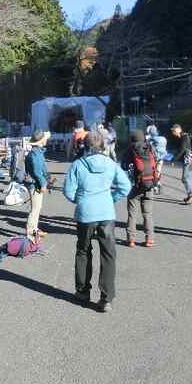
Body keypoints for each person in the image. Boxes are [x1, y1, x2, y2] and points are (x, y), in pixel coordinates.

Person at [63, 131, 131, 312]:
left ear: (84, 146)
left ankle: (82, 292)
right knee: (108, 254)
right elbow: (125, 186)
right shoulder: (111, 164)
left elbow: (68, 191)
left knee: (83, 251)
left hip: (85, 214)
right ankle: (106, 299)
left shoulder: (78, 164)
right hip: (106, 213)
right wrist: (111, 198)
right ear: (103, 146)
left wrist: (81, 200)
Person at [124, 130, 157, 247]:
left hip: (135, 186)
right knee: (148, 213)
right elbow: (156, 163)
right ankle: (149, 239)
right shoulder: (150, 147)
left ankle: (131, 239)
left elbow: (124, 166)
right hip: (149, 184)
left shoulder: (130, 149)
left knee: (132, 213)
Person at [24, 130, 50, 240]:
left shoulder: (37, 152)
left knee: (37, 207)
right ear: (41, 141)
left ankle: (35, 229)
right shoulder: (36, 154)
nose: (46, 140)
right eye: (45, 139)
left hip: (35, 184)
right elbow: (37, 172)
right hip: (35, 185)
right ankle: (31, 233)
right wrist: (43, 184)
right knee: (35, 209)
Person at [170, 124, 192, 205]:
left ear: (179, 129)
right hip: (191, 160)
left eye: (174, 130)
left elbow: (182, 149)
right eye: (172, 131)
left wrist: (174, 160)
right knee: (189, 178)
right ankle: (191, 195)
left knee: (185, 178)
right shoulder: (183, 137)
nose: (173, 132)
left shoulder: (184, 137)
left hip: (189, 160)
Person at [145, 125, 167, 195]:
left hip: (154, 158)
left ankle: (156, 186)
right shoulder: (163, 139)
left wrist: (147, 139)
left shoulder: (152, 139)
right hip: (161, 158)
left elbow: (147, 144)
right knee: (158, 172)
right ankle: (158, 184)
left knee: (153, 172)